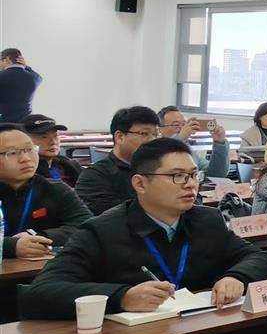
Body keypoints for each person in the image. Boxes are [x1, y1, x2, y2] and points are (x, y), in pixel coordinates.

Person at [20, 137, 267, 319]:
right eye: (177, 176)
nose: (190, 184)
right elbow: (39, 293)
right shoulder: (103, 231)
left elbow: (260, 257)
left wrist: (237, 277)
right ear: (140, 184)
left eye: (193, 175)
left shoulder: (206, 220)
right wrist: (121, 297)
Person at [0, 124, 91, 260]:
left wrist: (38, 236)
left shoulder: (55, 189)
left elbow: (87, 226)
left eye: (29, 149)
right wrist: (11, 246)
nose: (26, 158)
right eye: (12, 153)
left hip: (40, 269)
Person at [75, 106, 161, 216]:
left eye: (155, 135)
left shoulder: (161, 170)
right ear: (120, 137)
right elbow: (111, 218)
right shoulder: (94, 176)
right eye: (144, 134)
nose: (152, 140)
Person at [158, 106, 230, 181]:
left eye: (184, 124)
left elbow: (216, 174)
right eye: (176, 125)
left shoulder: (189, 151)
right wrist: (180, 138)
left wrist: (219, 143)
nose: (182, 129)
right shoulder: (155, 149)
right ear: (160, 129)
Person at [23, 114, 82, 188]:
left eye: (55, 136)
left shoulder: (69, 165)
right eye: (44, 137)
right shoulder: (24, 172)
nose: (53, 142)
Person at [0, 48, 42, 122]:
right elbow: (39, 77)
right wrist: (26, 66)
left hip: (5, 122)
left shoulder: (2, 75)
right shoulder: (35, 77)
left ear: (7, 59)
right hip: (26, 122)